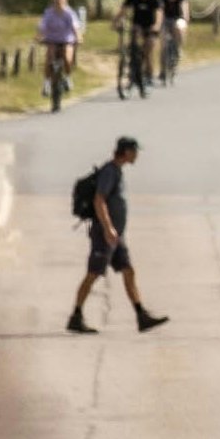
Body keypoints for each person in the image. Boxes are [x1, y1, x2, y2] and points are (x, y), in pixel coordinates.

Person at [68, 138, 169, 335]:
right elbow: (99, 200)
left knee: (128, 270)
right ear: (126, 152)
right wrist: (108, 228)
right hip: (105, 233)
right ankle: (76, 317)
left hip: (116, 235)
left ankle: (141, 316)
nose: (137, 155)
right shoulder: (109, 172)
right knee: (93, 273)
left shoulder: (117, 171)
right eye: (134, 151)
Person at [120, 0, 161, 96]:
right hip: (137, 26)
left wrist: (157, 25)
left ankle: (149, 77)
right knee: (133, 44)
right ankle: (132, 69)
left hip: (150, 27)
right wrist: (116, 21)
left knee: (148, 52)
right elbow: (123, 10)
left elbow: (159, 14)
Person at [37, 0, 84, 84]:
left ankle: (68, 77)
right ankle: (46, 82)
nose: (58, 3)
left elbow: (75, 26)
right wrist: (39, 36)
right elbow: (43, 25)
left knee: (67, 58)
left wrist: (78, 37)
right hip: (52, 39)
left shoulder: (69, 13)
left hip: (66, 40)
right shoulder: (49, 13)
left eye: (60, 1)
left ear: (65, 2)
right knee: (49, 58)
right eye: (56, 1)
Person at [158, 0, 189, 83]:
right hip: (166, 20)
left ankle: (178, 48)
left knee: (179, 27)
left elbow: (185, 10)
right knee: (163, 44)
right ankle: (162, 70)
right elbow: (160, 10)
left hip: (178, 19)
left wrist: (184, 17)